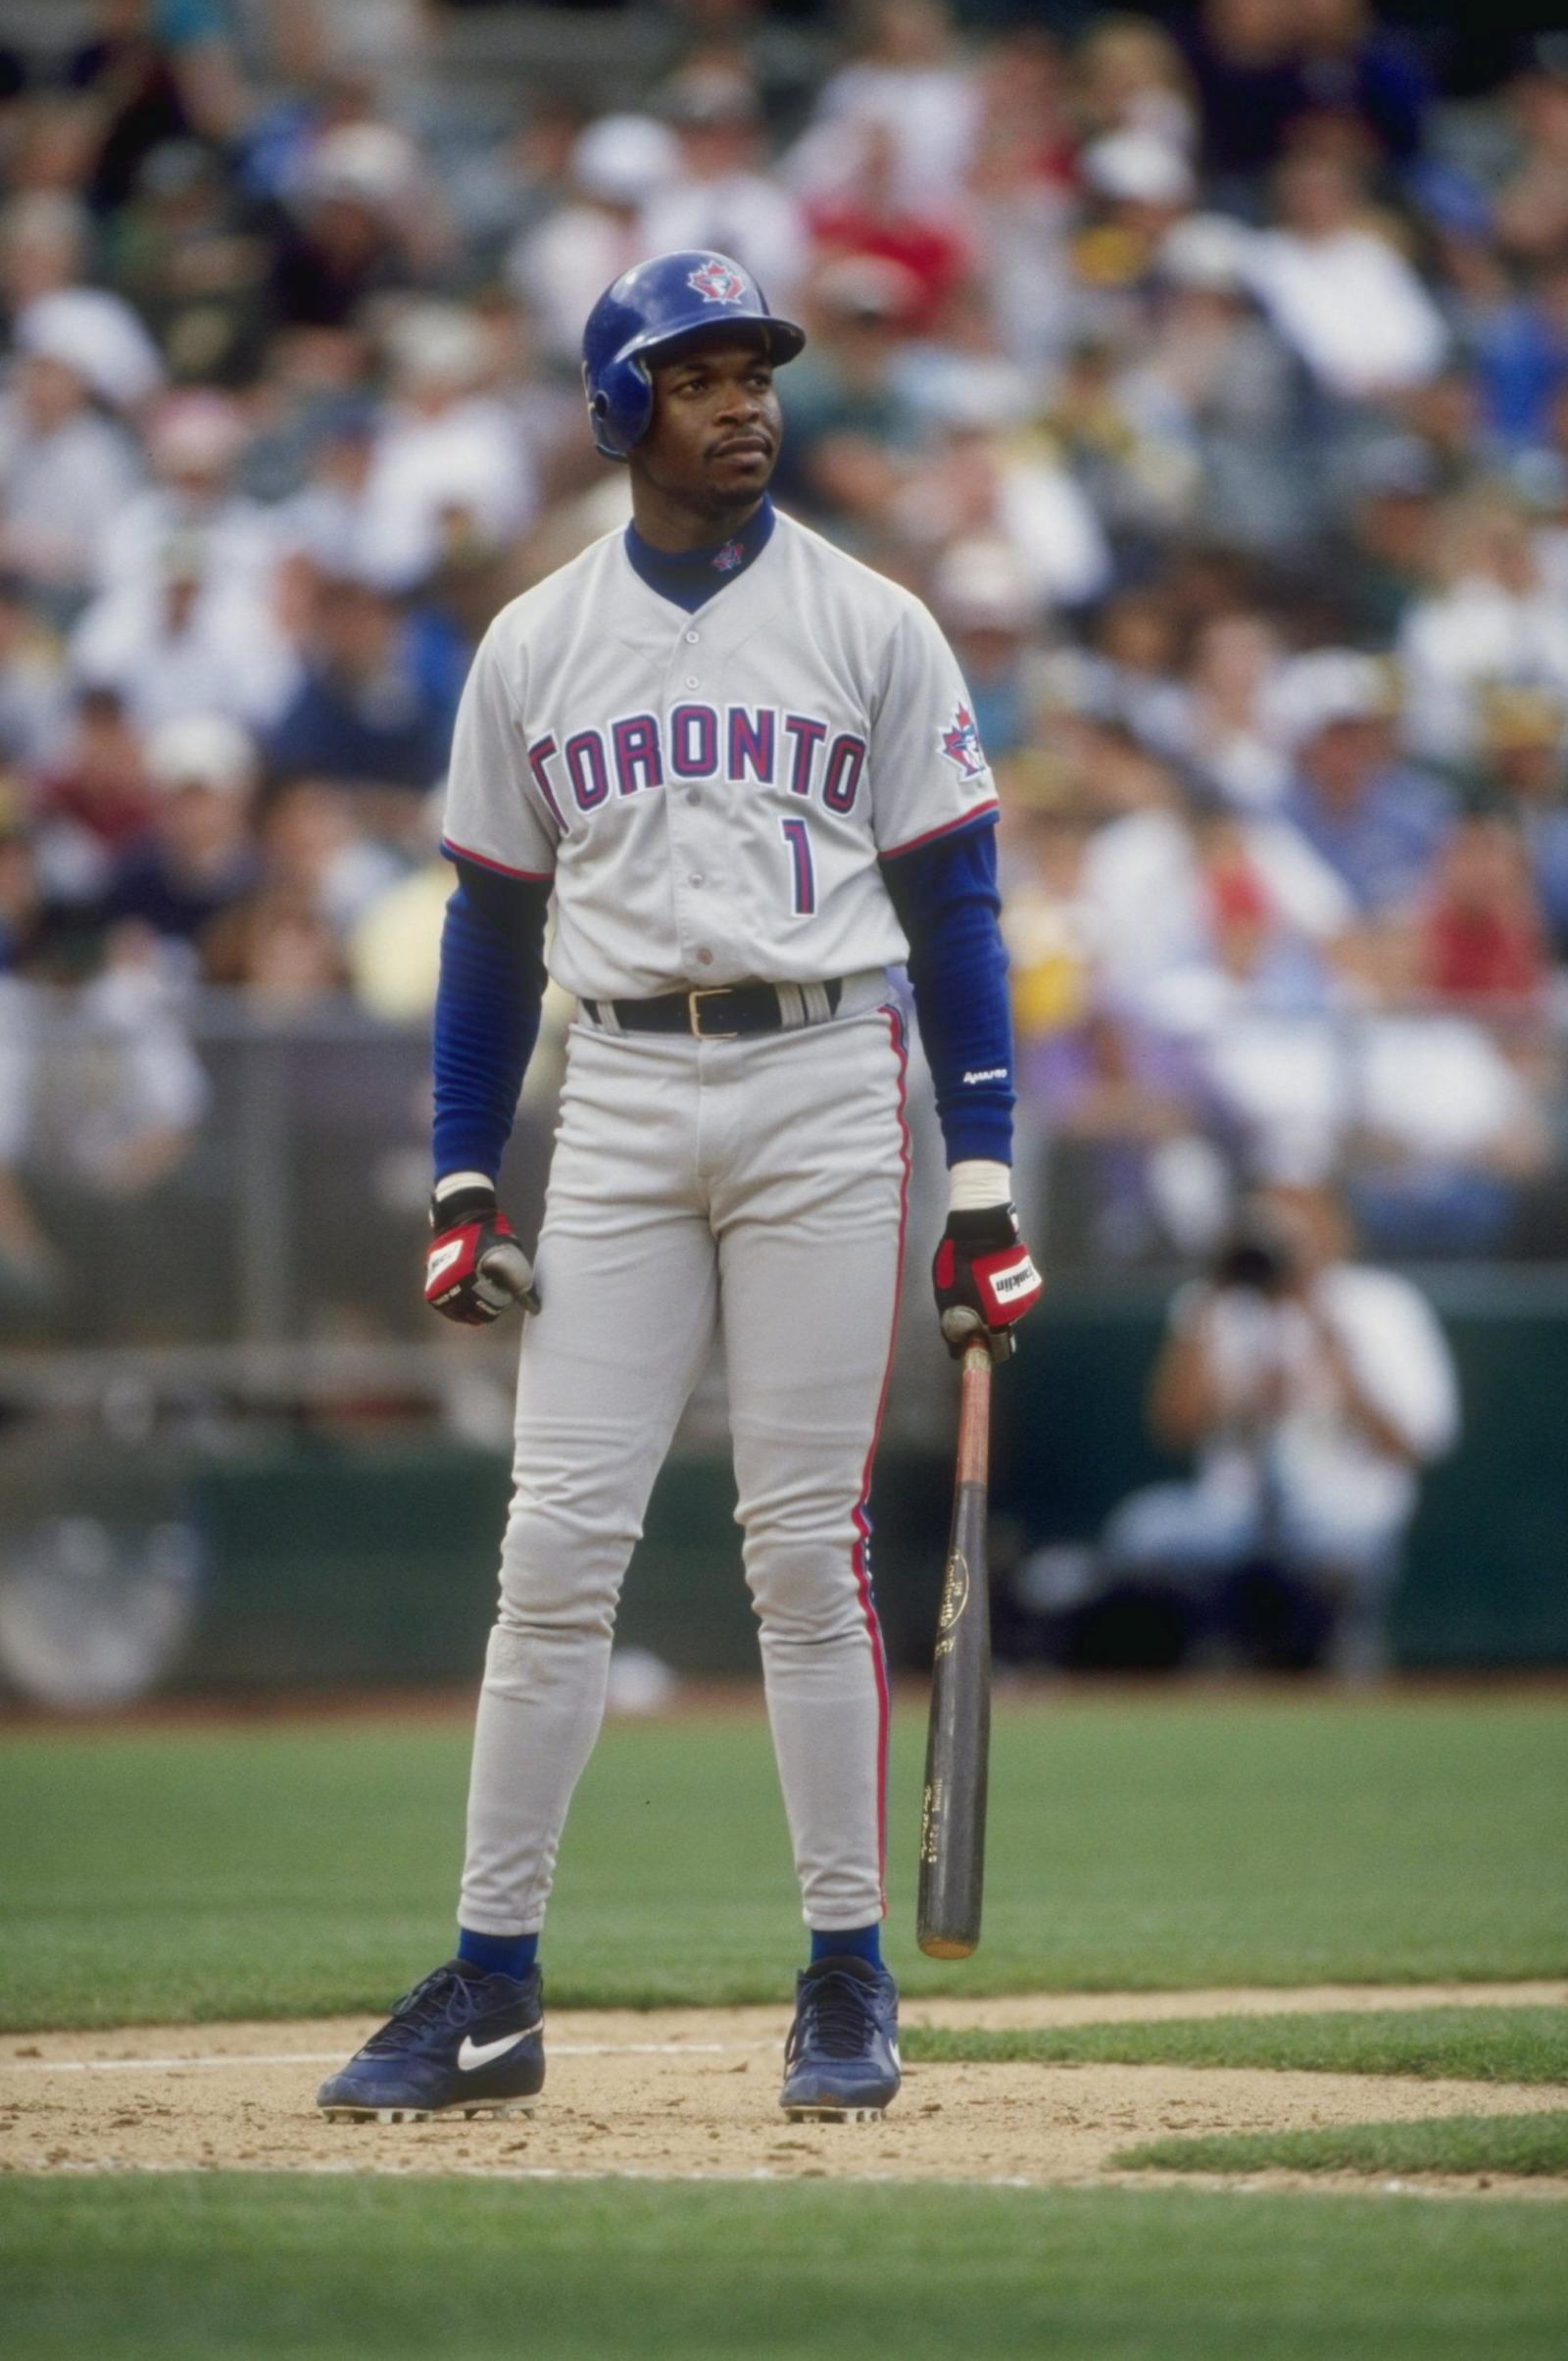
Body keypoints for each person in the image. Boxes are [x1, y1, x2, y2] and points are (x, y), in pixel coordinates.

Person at [317, 250, 1042, 2127]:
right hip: (623, 1084)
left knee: (804, 1550)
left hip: (825, 1071)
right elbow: (491, 933)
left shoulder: (875, 621)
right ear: (620, 405)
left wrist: (986, 1182)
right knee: (554, 1549)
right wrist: (465, 1170)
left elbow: (959, 914)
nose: (742, 401)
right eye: (697, 373)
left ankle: (845, 1978)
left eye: (754, 371)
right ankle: (489, 1985)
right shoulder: (538, 641)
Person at [1100, 1185, 1458, 1675]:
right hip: (1232, 1511)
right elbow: (1173, 1428)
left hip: (1340, 1508)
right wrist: (1215, 1297)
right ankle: (1201, 1665)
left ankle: (1342, 1658)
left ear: (1334, 1230)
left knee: (1345, 1543)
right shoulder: (1216, 1306)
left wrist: (1322, 1333)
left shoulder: (1382, 1303)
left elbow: (1414, 1443)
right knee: (1141, 1531)